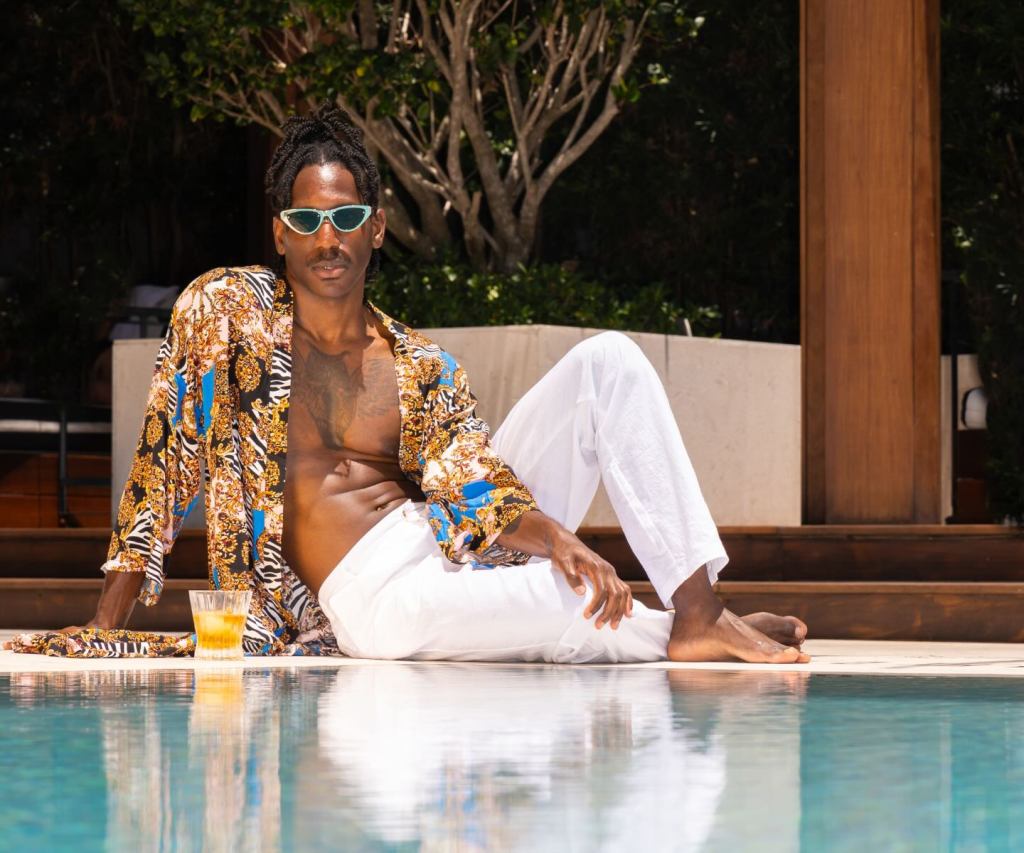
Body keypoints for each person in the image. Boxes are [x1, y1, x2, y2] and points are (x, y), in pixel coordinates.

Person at [15, 106, 809, 663]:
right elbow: (163, 464)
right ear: (279, 237)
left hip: (440, 543)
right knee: (566, 599)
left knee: (609, 362)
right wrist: (102, 619)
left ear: (377, 227)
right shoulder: (225, 312)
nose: (327, 239)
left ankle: (698, 610)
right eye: (304, 222)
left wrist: (557, 537)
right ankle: (676, 627)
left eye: (346, 218)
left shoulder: (418, 364)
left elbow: (476, 487)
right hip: (374, 599)